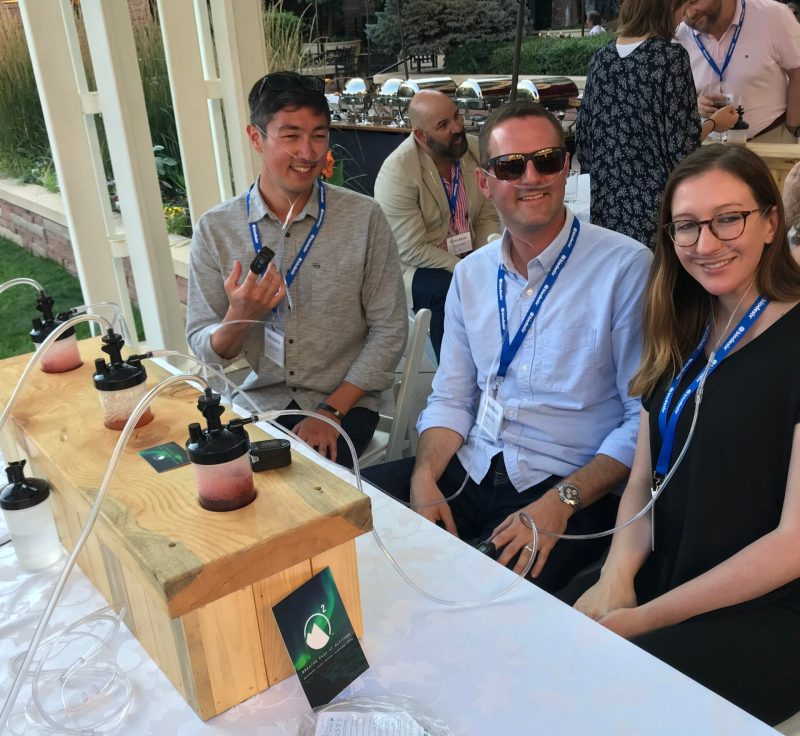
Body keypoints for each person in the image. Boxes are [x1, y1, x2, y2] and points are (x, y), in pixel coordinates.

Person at [364, 101, 652, 595]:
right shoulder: (471, 275)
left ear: (567, 167)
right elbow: (452, 398)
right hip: (475, 462)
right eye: (511, 166)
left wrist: (563, 500)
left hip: (567, 482)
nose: (531, 176)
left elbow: (640, 420)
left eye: (546, 159)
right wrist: (424, 478)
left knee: (481, 596)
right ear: (485, 181)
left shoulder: (624, 268)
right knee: (356, 521)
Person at [566, 144, 800, 726]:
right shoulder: (681, 326)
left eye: (729, 218)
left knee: (606, 703)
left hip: (765, 607)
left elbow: (792, 544)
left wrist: (646, 618)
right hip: (663, 566)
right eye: (687, 226)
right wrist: (618, 575)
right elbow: (644, 478)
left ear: (771, 222)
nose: (706, 243)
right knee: (545, 637)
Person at [186, 71, 407, 468]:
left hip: (345, 402)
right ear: (256, 138)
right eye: (290, 136)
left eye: (319, 135)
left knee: (293, 482)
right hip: (261, 402)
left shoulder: (363, 219)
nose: (308, 152)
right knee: (211, 472)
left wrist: (331, 412)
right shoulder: (217, 229)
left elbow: (390, 330)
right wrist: (238, 319)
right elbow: (203, 344)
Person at [576, 0, 736, 250]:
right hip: (654, 208)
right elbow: (683, 148)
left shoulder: (600, 58)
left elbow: (584, 140)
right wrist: (715, 123)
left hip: (603, 205)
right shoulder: (670, 57)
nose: (684, 15)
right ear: (667, 7)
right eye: (681, 6)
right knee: (657, 284)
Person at [374, 90, 500, 361]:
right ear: (421, 136)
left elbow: (486, 216)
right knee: (447, 290)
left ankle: (502, 365)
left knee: (507, 274)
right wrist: (466, 270)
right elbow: (410, 249)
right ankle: (453, 379)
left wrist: (485, 259)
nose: (457, 128)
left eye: (456, 116)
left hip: (466, 257)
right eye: (443, 125)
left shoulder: (474, 151)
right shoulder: (398, 172)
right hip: (414, 269)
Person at [675, 0, 800, 142]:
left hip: (770, 139)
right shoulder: (677, 34)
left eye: (694, 1)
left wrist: (792, 129)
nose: (689, 13)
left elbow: (797, 70)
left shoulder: (773, 15)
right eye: (680, 5)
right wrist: (695, 105)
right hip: (708, 147)